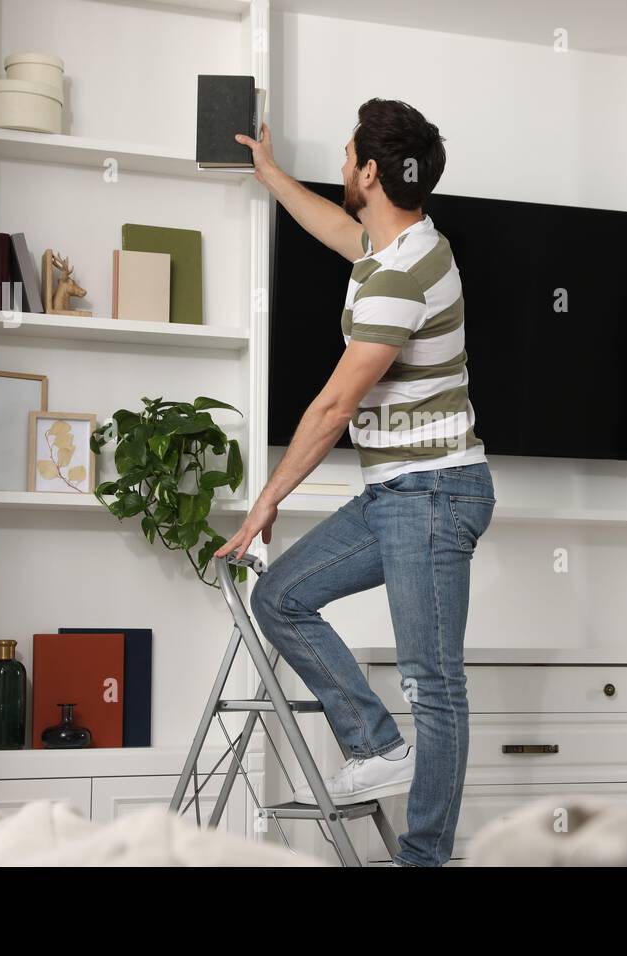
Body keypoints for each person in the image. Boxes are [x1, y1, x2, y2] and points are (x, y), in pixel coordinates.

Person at [215, 99, 494, 867]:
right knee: (282, 596)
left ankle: (423, 858)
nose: (340, 167)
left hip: (435, 494)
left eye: (346, 157)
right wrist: (269, 173)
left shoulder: (401, 276)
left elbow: (336, 405)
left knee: (433, 686)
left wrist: (264, 503)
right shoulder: (398, 241)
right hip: (396, 495)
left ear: (371, 172)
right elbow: (336, 229)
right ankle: (375, 743)